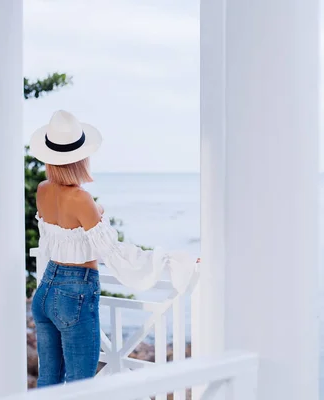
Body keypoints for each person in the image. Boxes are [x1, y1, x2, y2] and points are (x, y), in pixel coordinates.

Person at [28, 110, 198, 387]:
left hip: (46, 289)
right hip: (74, 295)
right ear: (81, 157)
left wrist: (95, 212)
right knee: (81, 385)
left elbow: (60, 232)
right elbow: (112, 251)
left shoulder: (43, 189)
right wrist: (166, 261)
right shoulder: (81, 198)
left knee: (49, 380)